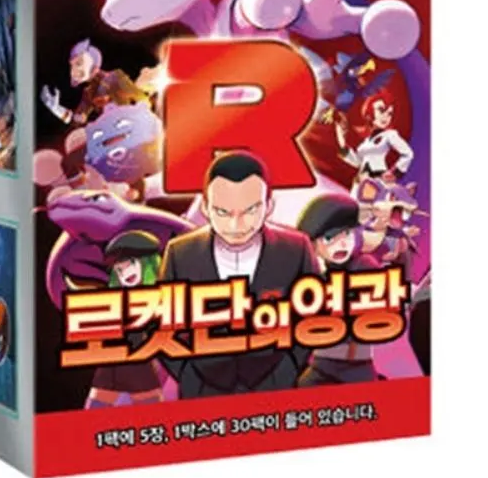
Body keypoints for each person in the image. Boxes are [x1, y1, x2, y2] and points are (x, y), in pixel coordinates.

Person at [156, 152, 319, 398]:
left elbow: (312, 316)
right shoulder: (180, 253)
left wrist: (289, 366)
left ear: (269, 206)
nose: (236, 226)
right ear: (205, 208)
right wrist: (188, 373)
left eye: (250, 210)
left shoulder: (296, 249)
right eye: (223, 212)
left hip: (276, 382)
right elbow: (163, 323)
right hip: (202, 387)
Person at [295, 192, 379, 387]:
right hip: (322, 363)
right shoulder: (314, 277)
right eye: (330, 238)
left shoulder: (363, 266)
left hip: (357, 365)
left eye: (347, 234)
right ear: (313, 244)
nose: (342, 244)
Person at [84, 230, 165, 408]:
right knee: (95, 408)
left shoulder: (160, 295)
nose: (126, 273)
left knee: (152, 411)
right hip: (113, 361)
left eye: (132, 264)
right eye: (120, 270)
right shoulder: (117, 299)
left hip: (139, 361)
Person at [40, 38, 148, 126]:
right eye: (72, 65)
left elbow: (141, 98)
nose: (74, 71)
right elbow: (78, 119)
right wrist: (57, 109)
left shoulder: (115, 77)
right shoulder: (89, 92)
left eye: (79, 63)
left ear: (94, 65)